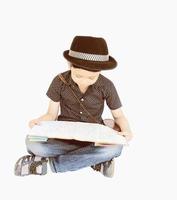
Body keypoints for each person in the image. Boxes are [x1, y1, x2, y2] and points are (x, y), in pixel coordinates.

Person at [14, 36, 133, 178]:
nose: (84, 81)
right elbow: (51, 115)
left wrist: (127, 130)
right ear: (69, 65)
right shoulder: (59, 81)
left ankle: (49, 165)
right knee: (32, 143)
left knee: (115, 149)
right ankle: (94, 160)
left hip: (94, 138)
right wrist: (37, 122)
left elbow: (118, 115)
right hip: (62, 137)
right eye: (78, 75)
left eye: (91, 78)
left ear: (100, 72)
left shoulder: (107, 86)